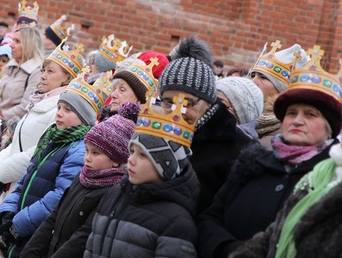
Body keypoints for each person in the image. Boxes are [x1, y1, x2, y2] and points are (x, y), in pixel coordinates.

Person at [197, 45, 342, 258]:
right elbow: (209, 218)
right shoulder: (252, 163)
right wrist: (228, 250)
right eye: (292, 113)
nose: (297, 120)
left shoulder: (331, 177)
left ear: (329, 127)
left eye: (310, 115)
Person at [0, 67, 112, 257]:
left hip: (37, 232)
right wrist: (8, 211)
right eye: (59, 107)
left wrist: (19, 223)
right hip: (21, 224)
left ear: (84, 119)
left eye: (68, 110)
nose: (59, 113)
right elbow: (26, 178)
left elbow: (59, 196)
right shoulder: (51, 139)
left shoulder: (79, 150)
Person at [84, 90, 200, 257]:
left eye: (143, 155)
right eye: (132, 151)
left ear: (166, 164)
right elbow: (91, 246)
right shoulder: (115, 194)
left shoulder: (177, 223)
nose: (131, 160)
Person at [21, 102, 139, 258]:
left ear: (116, 159)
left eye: (96, 153)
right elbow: (53, 218)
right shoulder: (82, 177)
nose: (87, 158)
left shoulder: (112, 191)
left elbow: (82, 238)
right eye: (87, 151)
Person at [159, 35, 255, 213]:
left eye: (188, 103)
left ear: (208, 102)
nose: (177, 111)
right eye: (168, 101)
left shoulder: (239, 151)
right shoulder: (153, 135)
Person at [231, 142, 342, 258]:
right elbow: (278, 232)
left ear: (330, 132)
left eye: (312, 121)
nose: (297, 122)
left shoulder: (321, 172)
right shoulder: (251, 162)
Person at [251, 41, 309, 149]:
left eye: (263, 78)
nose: (253, 82)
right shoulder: (240, 117)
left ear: (282, 90)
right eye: (253, 75)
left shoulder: (292, 128)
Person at [99, 51, 167, 121]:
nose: (113, 95)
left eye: (122, 90)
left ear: (138, 101)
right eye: (114, 88)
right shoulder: (104, 115)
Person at [0, 26, 44, 120]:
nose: (11, 45)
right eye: (12, 40)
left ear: (30, 45)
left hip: (8, 125)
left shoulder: (37, 72)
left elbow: (25, 107)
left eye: (17, 41)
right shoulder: (9, 67)